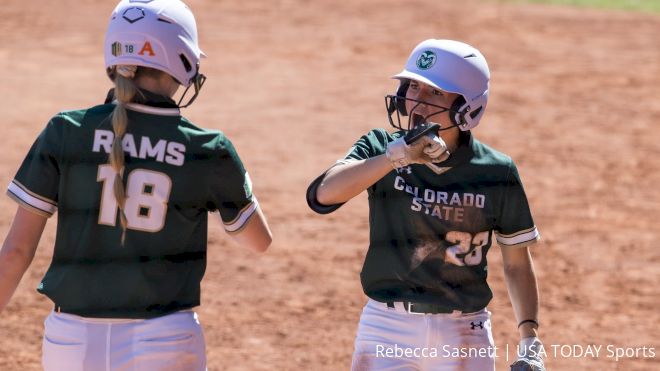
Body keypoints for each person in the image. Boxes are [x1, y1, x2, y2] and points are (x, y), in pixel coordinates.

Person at [0, 0, 272, 370]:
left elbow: (16, 251)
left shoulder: (66, 131)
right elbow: (258, 242)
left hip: (71, 341)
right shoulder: (206, 148)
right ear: (182, 58)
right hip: (165, 339)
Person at [307, 39, 545, 371]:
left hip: (465, 331)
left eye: (434, 92)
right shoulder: (380, 147)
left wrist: (529, 338)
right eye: (414, 86)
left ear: (467, 107)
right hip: (387, 327)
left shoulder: (496, 171)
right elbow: (323, 194)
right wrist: (394, 158)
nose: (417, 100)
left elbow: (517, 263)